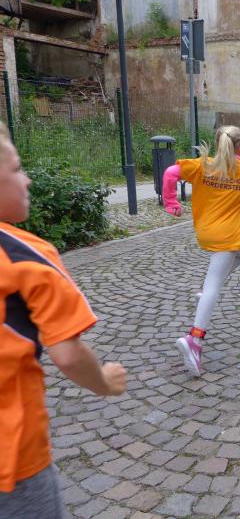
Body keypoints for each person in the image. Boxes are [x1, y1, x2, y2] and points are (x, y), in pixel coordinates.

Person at [0, 120, 128, 517]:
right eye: (17, 168)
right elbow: (68, 355)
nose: (27, 180)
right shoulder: (23, 256)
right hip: (14, 460)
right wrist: (104, 381)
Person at [163, 125, 240, 376]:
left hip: (205, 231)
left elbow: (170, 172)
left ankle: (205, 296)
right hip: (227, 236)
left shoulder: (203, 165)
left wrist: (171, 201)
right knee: (213, 287)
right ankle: (194, 340)